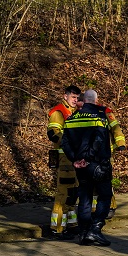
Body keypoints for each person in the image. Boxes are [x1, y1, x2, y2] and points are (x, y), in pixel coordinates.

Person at [60, 90, 116, 246]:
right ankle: (95, 228)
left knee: (85, 197)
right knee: (105, 196)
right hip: (98, 164)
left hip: (79, 166)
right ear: (96, 100)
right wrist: (88, 157)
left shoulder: (71, 118)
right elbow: (99, 140)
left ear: (83, 100)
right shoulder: (99, 117)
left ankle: (84, 232)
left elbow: (64, 143)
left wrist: (75, 159)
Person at [46, 85, 81, 238]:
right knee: (63, 194)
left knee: (73, 193)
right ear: (65, 96)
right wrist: (69, 143)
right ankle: (57, 228)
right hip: (65, 158)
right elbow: (52, 133)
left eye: (77, 97)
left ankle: (71, 225)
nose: (76, 100)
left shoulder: (75, 113)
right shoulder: (59, 112)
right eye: (73, 97)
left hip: (73, 159)